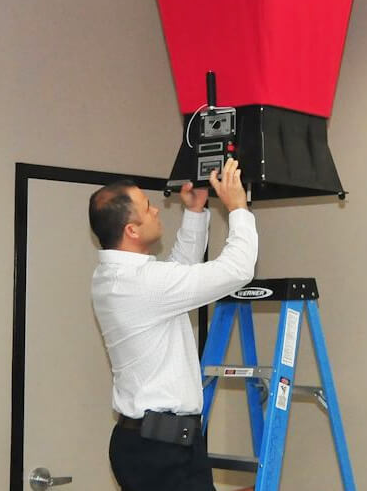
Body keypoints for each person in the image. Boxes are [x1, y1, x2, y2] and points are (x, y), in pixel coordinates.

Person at [89, 158, 258, 491]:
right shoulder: (143, 283)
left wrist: (194, 212)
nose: (156, 210)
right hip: (162, 452)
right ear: (131, 230)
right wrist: (238, 207)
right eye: (147, 207)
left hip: (151, 444)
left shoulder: (112, 276)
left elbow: (176, 275)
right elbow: (238, 270)